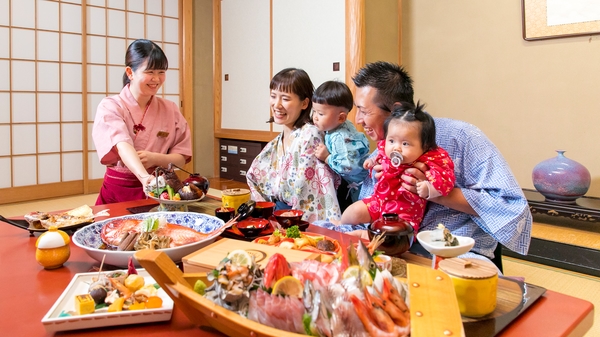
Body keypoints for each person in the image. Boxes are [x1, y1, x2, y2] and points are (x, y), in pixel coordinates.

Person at [315, 61, 532, 262]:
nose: (358, 121)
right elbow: (371, 211)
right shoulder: (382, 152)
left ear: (397, 110)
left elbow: (511, 205)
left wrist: (433, 190)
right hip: (387, 245)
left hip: (453, 252)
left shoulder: (462, 137)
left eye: (363, 111)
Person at [92, 39, 192, 205]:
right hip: (118, 191)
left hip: (159, 190)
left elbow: (181, 158)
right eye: (150, 72)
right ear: (130, 73)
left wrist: (155, 158)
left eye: (161, 72)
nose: (156, 79)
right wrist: (144, 176)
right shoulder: (111, 106)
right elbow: (121, 144)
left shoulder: (170, 109)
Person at [339, 101, 455, 234]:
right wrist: (372, 161)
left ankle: (367, 235)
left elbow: (446, 179)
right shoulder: (385, 149)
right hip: (379, 201)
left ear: (425, 146)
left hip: (405, 210)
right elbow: (380, 156)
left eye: (405, 143)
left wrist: (429, 189)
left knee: (398, 234)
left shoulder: (431, 158)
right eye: (392, 141)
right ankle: (341, 225)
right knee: (351, 213)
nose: (396, 147)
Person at [246, 68, 341, 223]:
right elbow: (254, 177)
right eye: (273, 96)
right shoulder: (276, 142)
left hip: (296, 220)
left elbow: (306, 193)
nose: (277, 105)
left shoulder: (309, 135)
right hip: (276, 215)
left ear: (304, 103)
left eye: (285, 98)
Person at [312, 81, 370, 209]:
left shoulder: (340, 137)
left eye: (321, 114)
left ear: (341, 118)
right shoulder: (338, 126)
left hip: (362, 185)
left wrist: (327, 157)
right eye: (314, 111)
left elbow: (349, 166)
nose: (315, 117)